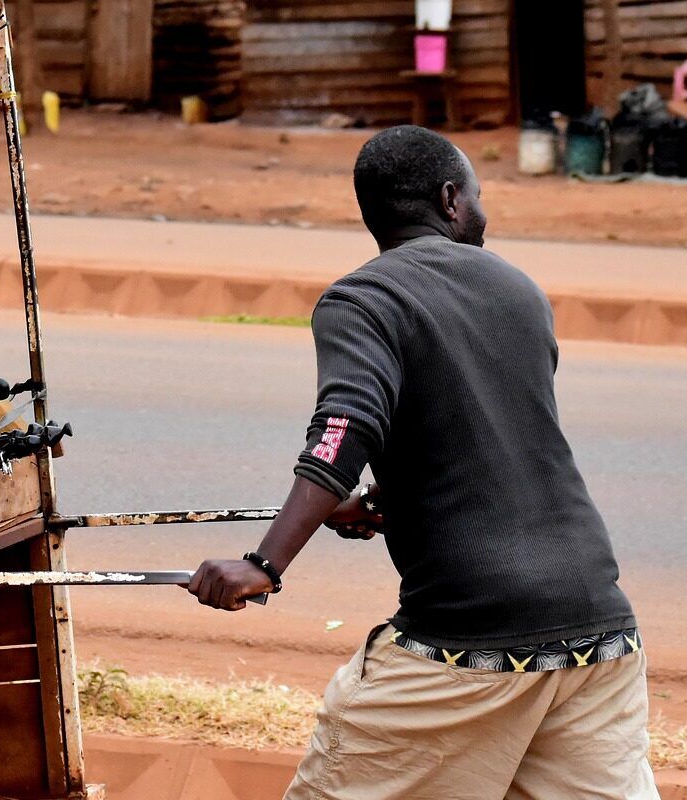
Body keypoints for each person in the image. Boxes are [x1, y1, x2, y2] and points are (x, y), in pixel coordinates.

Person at [188, 125, 653, 800]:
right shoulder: (519, 291)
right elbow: (480, 440)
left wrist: (263, 565)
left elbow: (344, 426)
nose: (482, 209)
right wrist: (391, 497)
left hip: (470, 641)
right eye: (479, 193)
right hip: (600, 634)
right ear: (450, 201)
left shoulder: (362, 301)